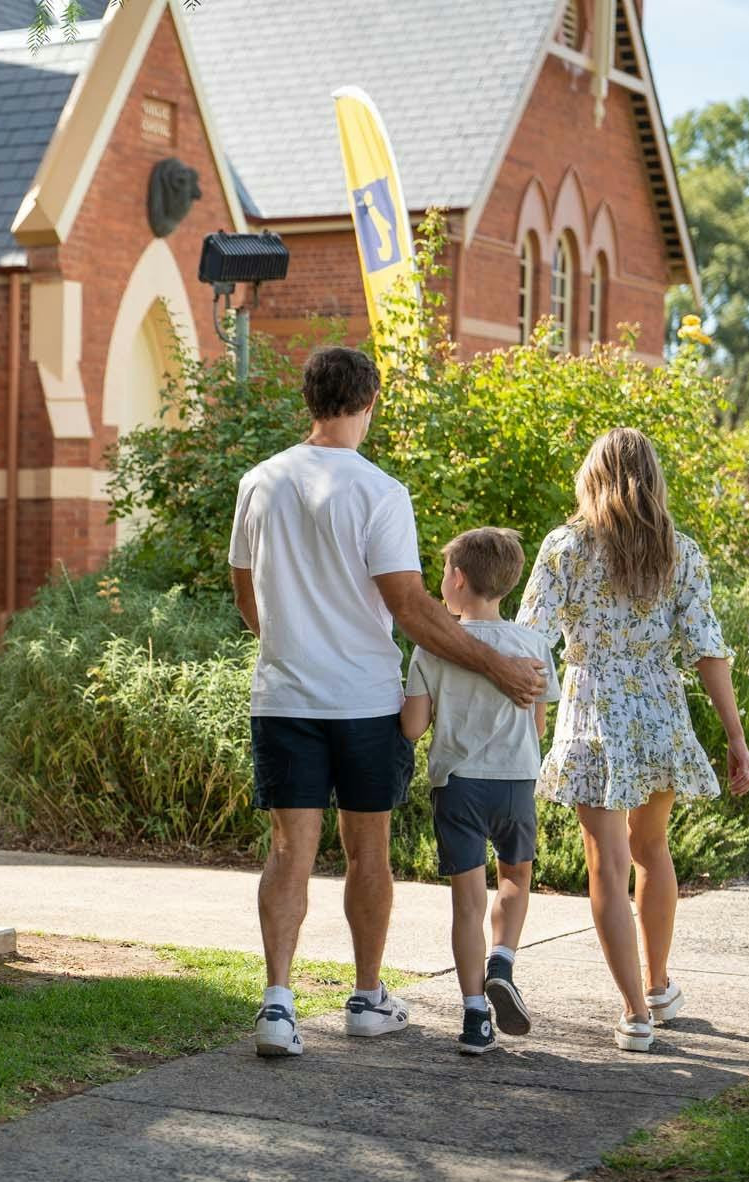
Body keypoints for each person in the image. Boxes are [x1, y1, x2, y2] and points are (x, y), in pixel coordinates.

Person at [229, 347, 547, 1059]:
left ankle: (277, 1004)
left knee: (289, 849)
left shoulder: (260, 481)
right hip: (364, 702)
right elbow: (409, 604)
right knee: (367, 849)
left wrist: (292, 641)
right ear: (369, 402)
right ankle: (366, 998)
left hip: (283, 697)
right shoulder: (379, 490)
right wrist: (496, 665)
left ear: (309, 400)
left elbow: (247, 597)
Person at [518, 428, 749, 1053]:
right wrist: (735, 737)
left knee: (608, 862)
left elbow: (530, 640)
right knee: (652, 848)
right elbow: (708, 650)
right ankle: (656, 987)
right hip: (659, 709)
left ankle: (635, 1013)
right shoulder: (680, 552)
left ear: (592, 478)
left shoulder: (565, 547)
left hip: (593, 708)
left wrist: (526, 716)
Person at [400, 528, 561, 1055]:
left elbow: (412, 728)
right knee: (514, 877)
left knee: (466, 903)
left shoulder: (433, 648)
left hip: (458, 786)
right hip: (514, 782)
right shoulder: (533, 645)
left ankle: (474, 1017)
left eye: (444, 572)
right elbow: (538, 726)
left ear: (458, 578)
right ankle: (503, 963)